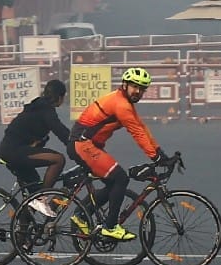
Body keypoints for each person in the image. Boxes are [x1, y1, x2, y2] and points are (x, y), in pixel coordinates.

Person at [68, 67, 165, 241]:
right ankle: (111, 226)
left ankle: (81, 215)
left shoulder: (125, 103)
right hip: (83, 144)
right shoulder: (121, 104)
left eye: (142, 89)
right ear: (125, 85)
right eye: (135, 87)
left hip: (88, 144)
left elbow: (142, 128)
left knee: (113, 183)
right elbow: (137, 132)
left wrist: (160, 153)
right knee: (120, 178)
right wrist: (156, 157)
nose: (138, 92)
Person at [0, 79, 70, 218]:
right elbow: (61, 131)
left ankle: (22, 232)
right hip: (14, 152)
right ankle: (41, 198)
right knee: (58, 160)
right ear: (60, 97)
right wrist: (77, 145)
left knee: (34, 193)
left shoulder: (37, 106)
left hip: (11, 150)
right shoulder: (46, 109)